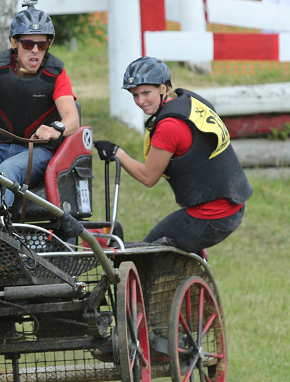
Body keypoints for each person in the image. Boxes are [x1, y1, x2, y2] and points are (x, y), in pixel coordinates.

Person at [94, 57, 252, 253]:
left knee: (139, 254)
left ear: (163, 87)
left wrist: (117, 152)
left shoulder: (169, 126)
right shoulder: (189, 101)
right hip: (233, 206)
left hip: (211, 216)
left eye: (146, 93)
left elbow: (148, 177)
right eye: (134, 95)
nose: (140, 101)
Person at [0, 0, 80, 222]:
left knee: (8, 170)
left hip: (37, 152)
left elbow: (72, 119)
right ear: (15, 43)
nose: (34, 50)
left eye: (41, 45)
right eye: (28, 44)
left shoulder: (57, 73)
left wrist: (55, 129)